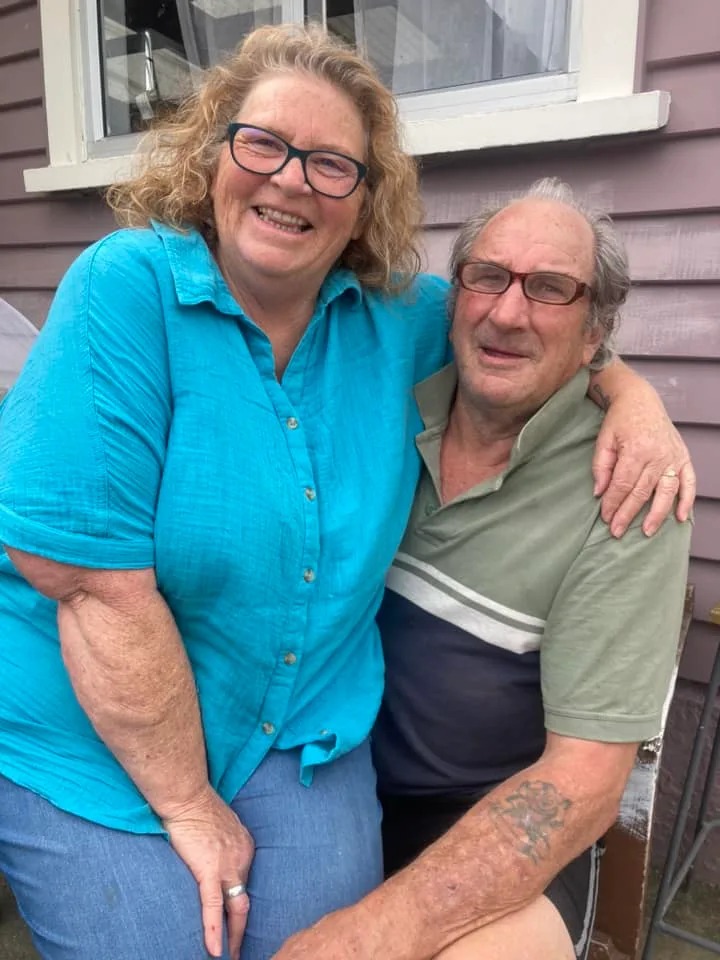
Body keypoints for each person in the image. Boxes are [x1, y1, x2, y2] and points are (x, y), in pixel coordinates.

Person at [0, 25, 693, 960]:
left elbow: (526, 334)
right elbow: (88, 581)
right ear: (214, 153)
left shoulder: (397, 321)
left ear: (365, 201)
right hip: (92, 722)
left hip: (300, 734)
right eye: (264, 144)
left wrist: (634, 399)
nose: (291, 180)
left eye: (331, 164)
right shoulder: (125, 289)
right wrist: (189, 807)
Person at [270, 181, 692, 960]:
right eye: (487, 276)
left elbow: (582, 781)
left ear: (595, 330)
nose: (506, 311)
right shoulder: (387, 402)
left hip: (494, 817)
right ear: (453, 295)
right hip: (319, 771)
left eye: (551, 289)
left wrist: (373, 934)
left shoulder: (627, 492)